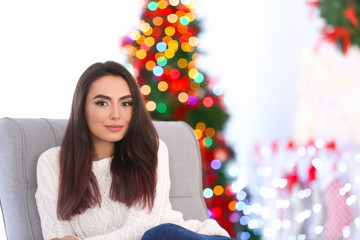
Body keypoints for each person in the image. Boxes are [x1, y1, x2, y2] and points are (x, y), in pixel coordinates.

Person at [35, 61, 235, 240]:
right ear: (82, 108)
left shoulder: (150, 149)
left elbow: (140, 229)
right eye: (102, 103)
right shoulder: (52, 164)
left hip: (177, 238)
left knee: (157, 235)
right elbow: (58, 236)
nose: (116, 114)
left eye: (126, 103)